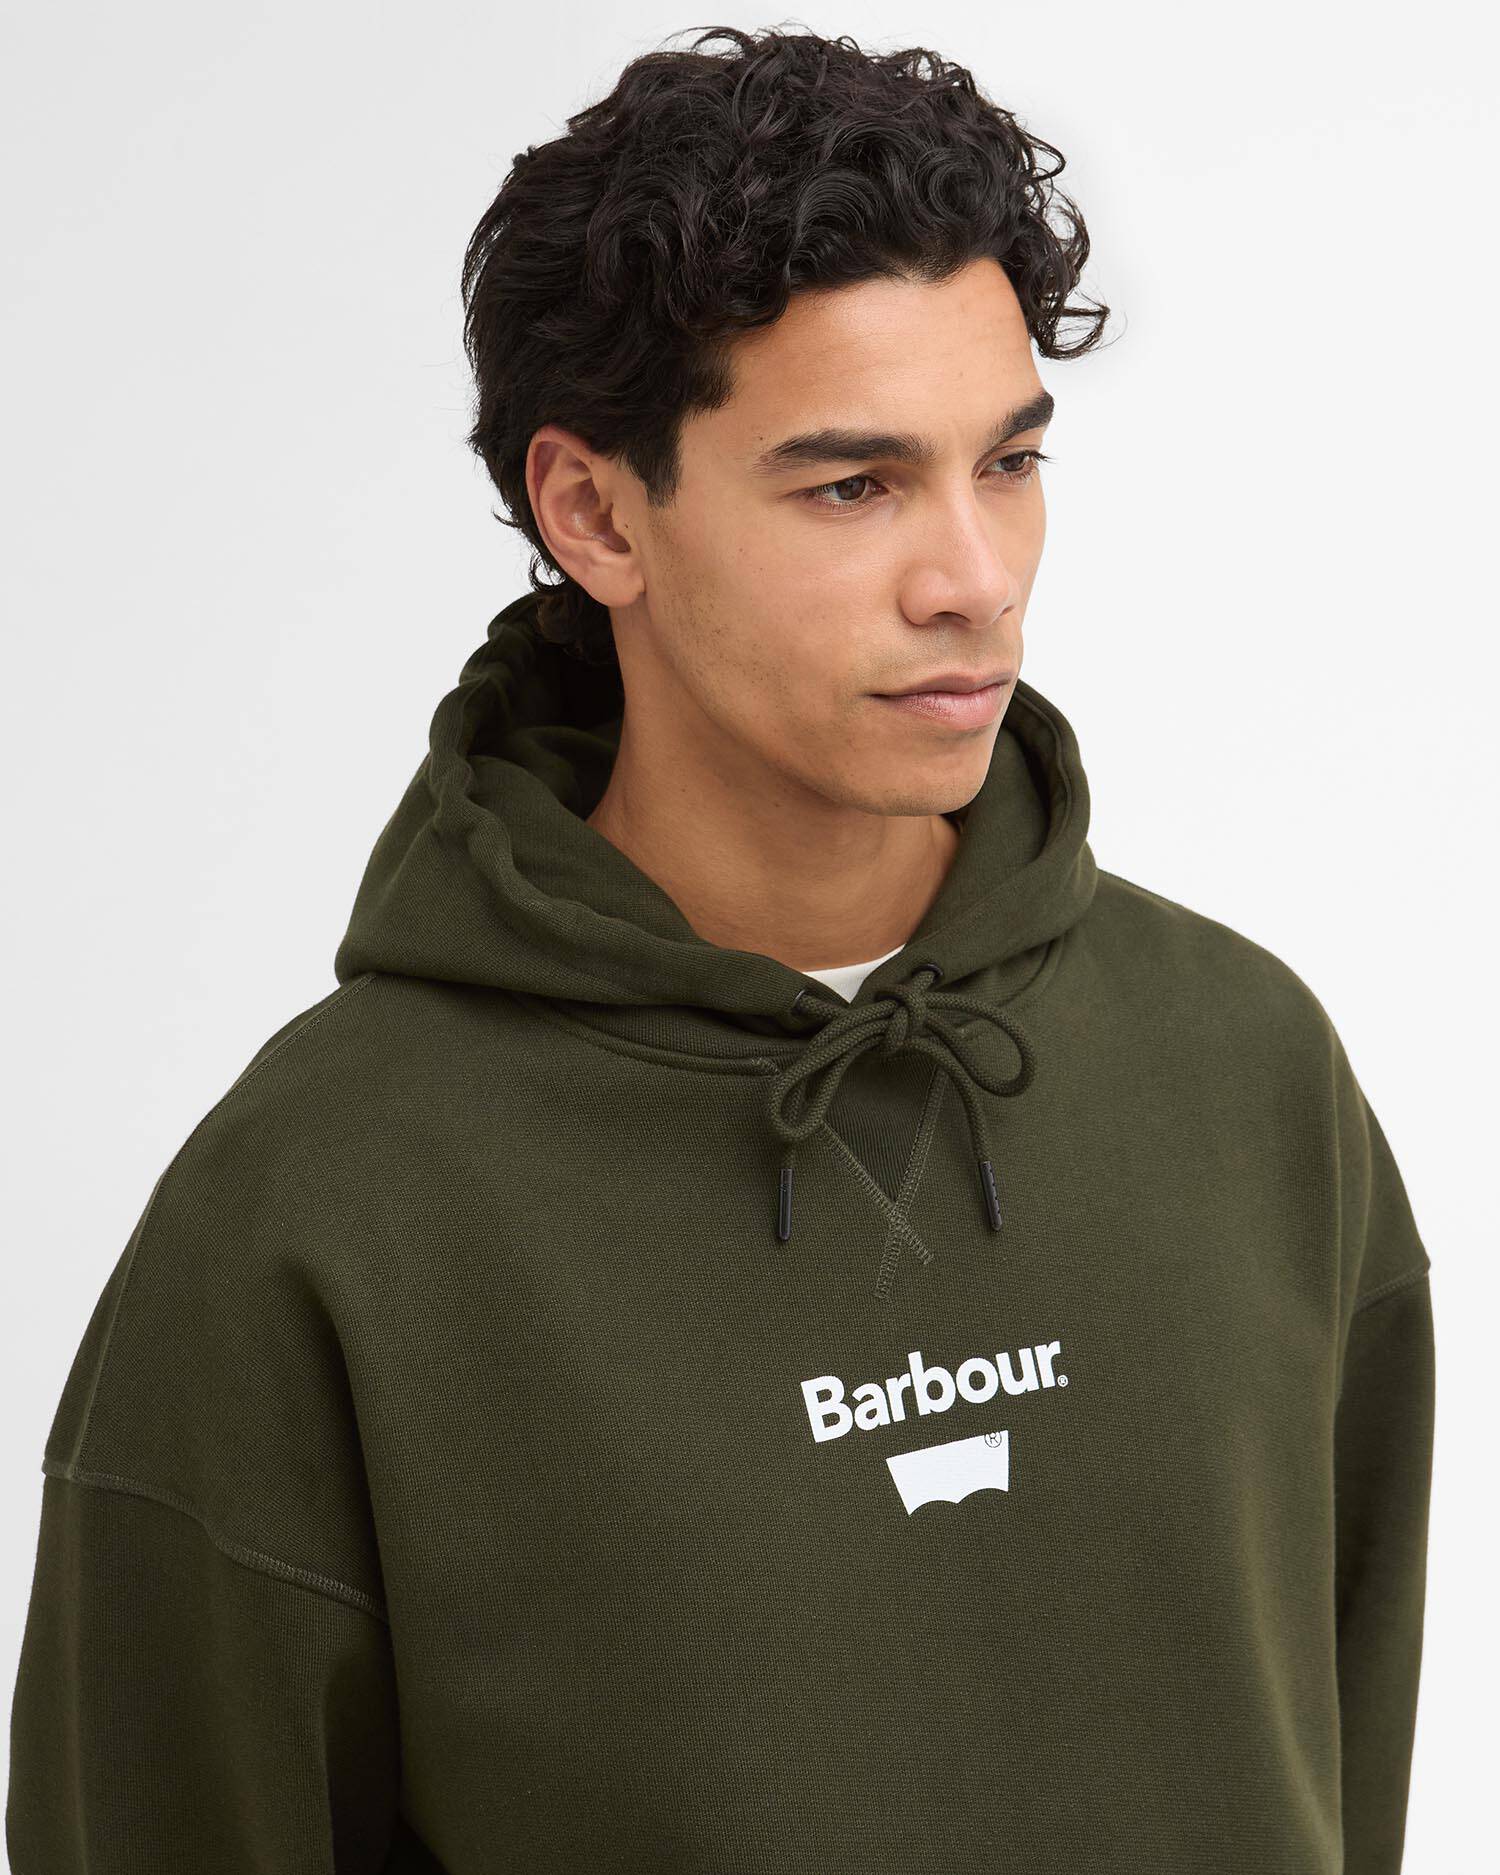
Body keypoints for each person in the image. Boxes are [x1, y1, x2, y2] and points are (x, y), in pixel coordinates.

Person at [7, 24, 1435, 1873]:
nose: (975, 578)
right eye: (854, 486)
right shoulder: (324, 1206)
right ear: (594, 512)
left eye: (1008, 462)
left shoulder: (1245, 1068)